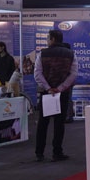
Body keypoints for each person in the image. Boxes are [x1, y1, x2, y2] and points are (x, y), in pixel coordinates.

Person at [33, 29, 77, 162]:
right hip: (62, 93)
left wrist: (48, 88)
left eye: (48, 38)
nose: (47, 41)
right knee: (59, 124)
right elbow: (73, 74)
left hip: (47, 93)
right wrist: (60, 88)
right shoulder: (71, 54)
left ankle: (39, 153)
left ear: (52, 39)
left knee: (43, 123)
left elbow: (37, 73)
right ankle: (57, 152)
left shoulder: (42, 54)